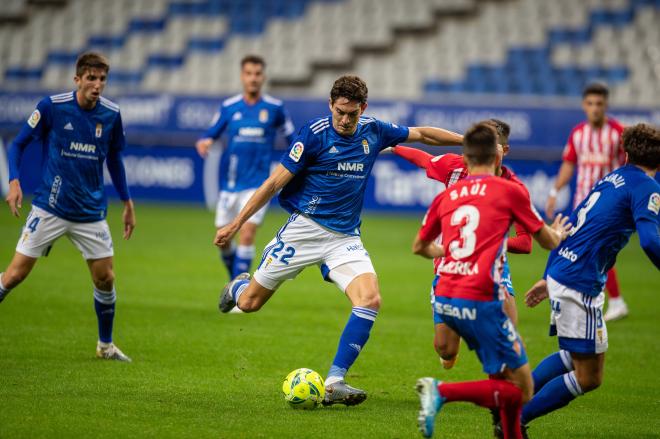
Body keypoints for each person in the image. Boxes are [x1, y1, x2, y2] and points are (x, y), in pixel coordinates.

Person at [215, 75, 464, 406]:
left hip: (344, 237)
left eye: (352, 114)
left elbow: (421, 133)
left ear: (363, 108)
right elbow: (274, 183)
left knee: (370, 299)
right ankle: (236, 288)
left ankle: (335, 381)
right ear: (331, 106)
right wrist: (236, 223)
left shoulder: (374, 130)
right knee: (249, 305)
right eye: (340, 113)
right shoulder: (314, 136)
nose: (345, 120)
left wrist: (468, 142)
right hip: (304, 230)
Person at [412, 122, 571, 438]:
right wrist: (560, 233)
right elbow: (544, 241)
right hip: (481, 298)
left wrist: (446, 248)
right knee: (521, 389)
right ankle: (441, 391)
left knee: (498, 375)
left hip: (445, 297)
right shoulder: (510, 190)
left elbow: (419, 247)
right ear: (498, 159)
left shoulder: (449, 193)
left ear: (466, 159)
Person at [520, 123, 660, 432]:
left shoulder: (610, 179)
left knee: (572, 355)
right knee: (589, 377)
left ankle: (511, 403)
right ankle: (516, 420)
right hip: (578, 282)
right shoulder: (647, 187)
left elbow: (570, 225)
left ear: (625, 152)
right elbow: (650, 240)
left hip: (567, 272)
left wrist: (548, 275)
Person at [0, 52, 135, 362]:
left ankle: (105, 346)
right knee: (15, 275)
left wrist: (127, 202)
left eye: (102, 79)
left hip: (90, 213)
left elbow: (114, 159)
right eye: (91, 78)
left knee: (106, 278)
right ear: (77, 79)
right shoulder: (52, 107)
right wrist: (14, 181)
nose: (97, 85)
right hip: (50, 206)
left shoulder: (112, 115)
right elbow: (17, 143)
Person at [391, 119, 531, 371]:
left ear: (504, 150)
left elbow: (525, 242)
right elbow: (423, 158)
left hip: (493, 270)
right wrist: (391, 146)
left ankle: (505, 394)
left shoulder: (514, 188)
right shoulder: (454, 168)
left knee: (507, 338)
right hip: (450, 267)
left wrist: (487, 242)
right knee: (445, 348)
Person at [196, 54, 295, 281]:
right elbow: (210, 133)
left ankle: (238, 292)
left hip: (258, 184)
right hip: (230, 185)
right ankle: (235, 283)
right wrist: (204, 141)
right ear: (242, 76)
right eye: (249, 73)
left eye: (257, 74)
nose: (253, 78)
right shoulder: (229, 107)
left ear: (264, 77)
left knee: (247, 234)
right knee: (223, 240)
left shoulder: (275, 108)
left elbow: (294, 139)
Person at [545, 83, 629, 321]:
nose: (594, 109)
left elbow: (629, 166)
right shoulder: (578, 133)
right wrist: (554, 191)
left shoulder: (618, 133)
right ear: (584, 105)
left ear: (606, 105)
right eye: (590, 104)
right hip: (582, 201)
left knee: (589, 248)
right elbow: (569, 165)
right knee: (572, 247)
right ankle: (591, 300)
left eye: (599, 104)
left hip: (609, 204)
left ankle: (607, 301)